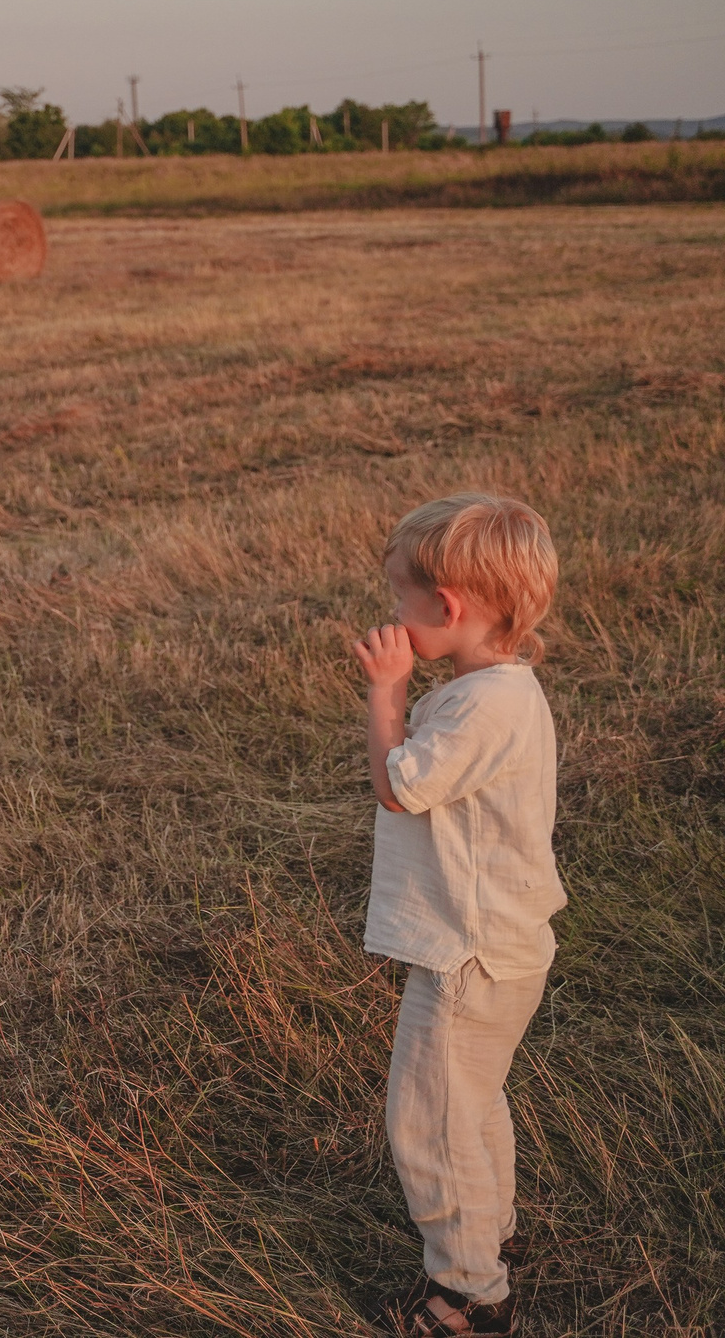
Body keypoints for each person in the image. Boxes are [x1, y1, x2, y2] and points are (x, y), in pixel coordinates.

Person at [350, 493, 565, 1338]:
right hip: (504, 943)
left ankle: (469, 1291)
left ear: (448, 607)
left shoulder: (482, 708)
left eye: (401, 598)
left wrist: (387, 691)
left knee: (429, 1119)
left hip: (467, 955)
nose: (392, 615)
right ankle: (493, 1230)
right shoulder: (501, 687)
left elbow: (398, 784)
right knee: (473, 1099)